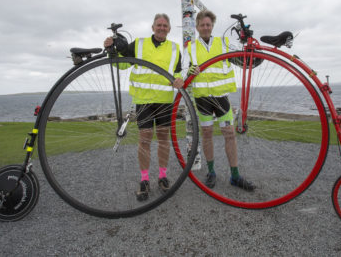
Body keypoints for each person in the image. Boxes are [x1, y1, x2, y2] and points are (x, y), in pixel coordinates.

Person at [104, 14, 184, 201]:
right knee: (145, 139)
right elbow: (123, 65)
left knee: (164, 139)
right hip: (144, 100)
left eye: (165, 25)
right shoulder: (139, 44)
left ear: (169, 28)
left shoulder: (174, 48)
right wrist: (111, 50)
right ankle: (144, 180)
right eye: (159, 25)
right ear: (153, 27)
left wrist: (180, 79)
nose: (162, 28)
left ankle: (163, 176)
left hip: (164, 100)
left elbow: (178, 71)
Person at [186, 10, 255, 191]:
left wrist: (250, 53)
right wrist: (188, 71)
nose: (206, 27)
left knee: (230, 134)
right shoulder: (190, 47)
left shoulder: (223, 43)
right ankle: (211, 172)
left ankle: (235, 175)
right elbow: (182, 70)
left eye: (208, 25)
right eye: (202, 25)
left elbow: (241, 59)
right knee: (207, 133)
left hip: (221, 98)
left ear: (212, 26)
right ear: (197, 27)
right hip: (202, 99)